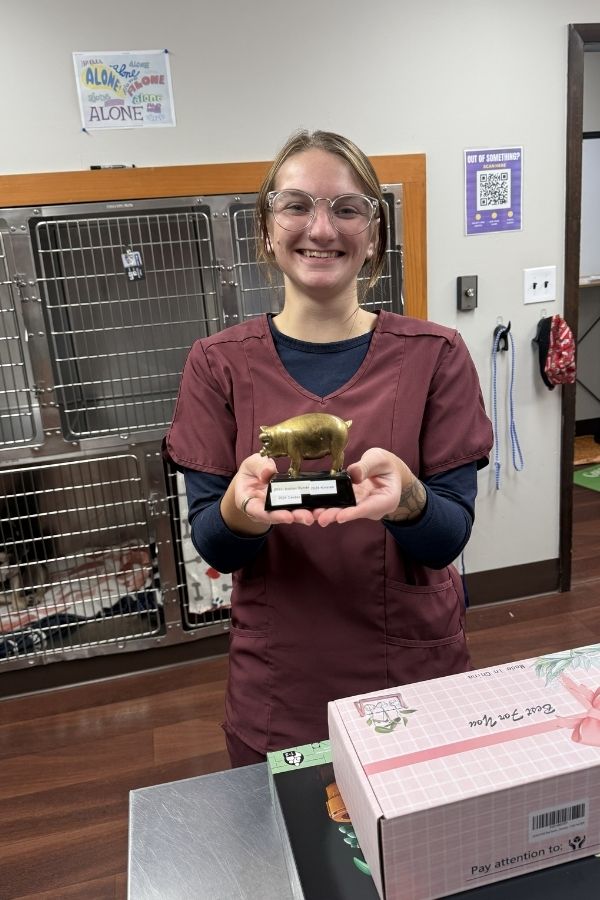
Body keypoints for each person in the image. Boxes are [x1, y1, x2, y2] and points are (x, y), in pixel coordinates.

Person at [164, 129, 493, 767]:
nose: (320, 228)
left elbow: (448, 537)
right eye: (295, 206)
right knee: (299, 851)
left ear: (372, 232)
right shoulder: (217, 365)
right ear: (266, 228)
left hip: (412, 670)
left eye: (346, 208)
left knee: (422, 852)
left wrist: (410, 500)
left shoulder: (436, 356)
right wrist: (239, 512)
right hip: (283, 681)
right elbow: (213, 543)